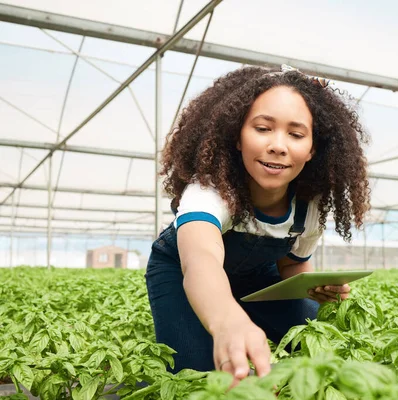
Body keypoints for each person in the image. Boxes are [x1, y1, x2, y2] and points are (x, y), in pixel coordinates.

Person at [144, 65, 370, 385]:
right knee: (196, 376)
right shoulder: (210, 190)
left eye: (295, 134)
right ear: (237, 137)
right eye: (263, 128)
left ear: (312, 149)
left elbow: (292, 265)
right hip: (182, 274)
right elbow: (201, 260)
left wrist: (314, 288)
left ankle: (244, 318)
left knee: (320, 337)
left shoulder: (309, 205)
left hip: (256, 281)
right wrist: (226, 320)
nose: (278, 145)